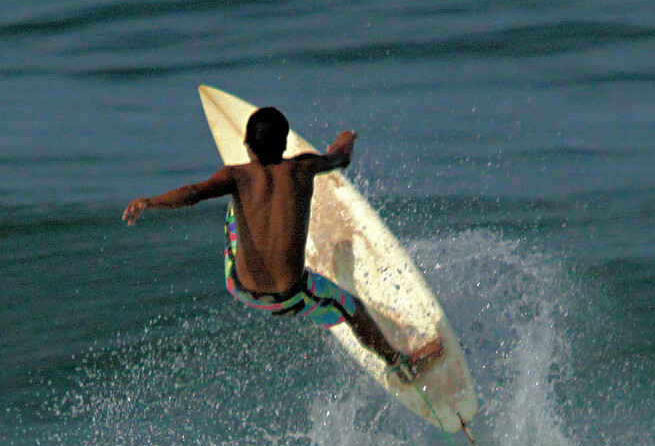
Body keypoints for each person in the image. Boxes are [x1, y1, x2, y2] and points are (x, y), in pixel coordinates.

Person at [123, 106, 443, 382]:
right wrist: (346, 138)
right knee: (352, 307)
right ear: (287, 144)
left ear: (247, 144)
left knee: (236, 208)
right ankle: (402, 365)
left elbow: (192, 193)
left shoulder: (236, 175)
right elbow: (339, 159)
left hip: (241, 289)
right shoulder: (304, 166)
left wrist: (148, 202)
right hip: (291, 296)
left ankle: (257, 230)